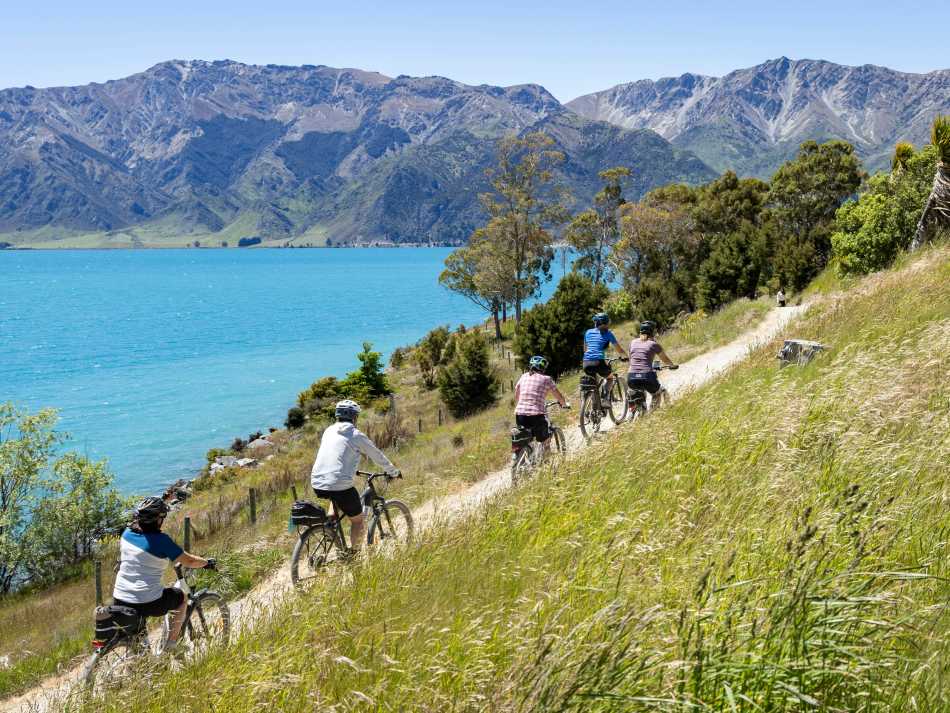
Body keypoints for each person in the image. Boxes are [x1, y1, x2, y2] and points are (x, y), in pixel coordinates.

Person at [112, 497, 215, 653]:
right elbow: (190, 561)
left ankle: (141, 663)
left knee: (139, 646)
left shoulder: (126, 534)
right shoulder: (161, 541)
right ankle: (171, 643)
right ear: (158, 520)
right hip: (147, 601)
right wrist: (206, 562)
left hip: (120, 597)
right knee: (181, 598)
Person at [310, 399, 400, 553]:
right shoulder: (356, 435)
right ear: (354, 417)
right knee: (358, 521)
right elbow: (377, 456)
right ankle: (354, 557)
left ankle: (331, 526)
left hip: (317, 481)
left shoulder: (328, 430)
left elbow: (337, 453)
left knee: (336, 495)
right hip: (338, 484)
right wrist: (394, 472)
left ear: (337, 416)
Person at [514, 355, 570, 452]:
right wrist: (564, 404)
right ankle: (546, 462)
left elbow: (517, 394)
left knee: (525, 438)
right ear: (543, 368)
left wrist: (522, 404)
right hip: (536, 415)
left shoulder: (523, 376)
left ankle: (523, 455)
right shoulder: (547, 379)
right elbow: (558, 395)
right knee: (545, 441)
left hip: (520, 414)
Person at [627, 321, 678, 408]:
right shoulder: (654, 344)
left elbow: (631, 359)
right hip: (647, 375)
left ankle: (635, 409)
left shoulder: (632, 342)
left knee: (634, 390)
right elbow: (665, 359)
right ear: (652, 332)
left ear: (641, 332)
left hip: (631, 376)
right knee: (657, 393)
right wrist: (672, 365)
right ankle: (652, 414)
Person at [582, 313, 628, 389]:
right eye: (607, 323)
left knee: (593, 385)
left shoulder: (588, 332)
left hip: (586, 363)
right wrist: (626, 357)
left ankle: (593, 398)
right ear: (604, 323)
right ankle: (605, 398)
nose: (608, 325)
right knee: (610, 378)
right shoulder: (608, 334)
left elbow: (585, 350)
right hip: (598, 362)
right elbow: (619, 350)